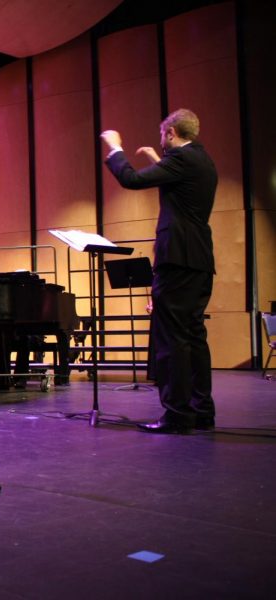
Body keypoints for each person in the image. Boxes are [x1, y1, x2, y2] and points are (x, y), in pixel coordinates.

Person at [101, 108, 218, 434]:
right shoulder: (202, 160)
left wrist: (115, 148)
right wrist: (158, 160)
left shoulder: (182, 161)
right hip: (198, 260)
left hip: (177, 260)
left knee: (172, 340)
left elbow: (132, 179)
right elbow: (177, 187)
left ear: (170, 134)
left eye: (161, 136)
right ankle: (201, 410)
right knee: (193, 337)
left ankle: (177, 415)